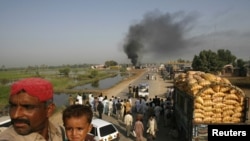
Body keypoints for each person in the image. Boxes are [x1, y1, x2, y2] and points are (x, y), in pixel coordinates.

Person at [0, 77, 65, 141]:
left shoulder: (59, 131)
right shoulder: (8, 138)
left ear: (49, 110)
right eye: (13, 106)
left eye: (27, 107)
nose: (15, 115)